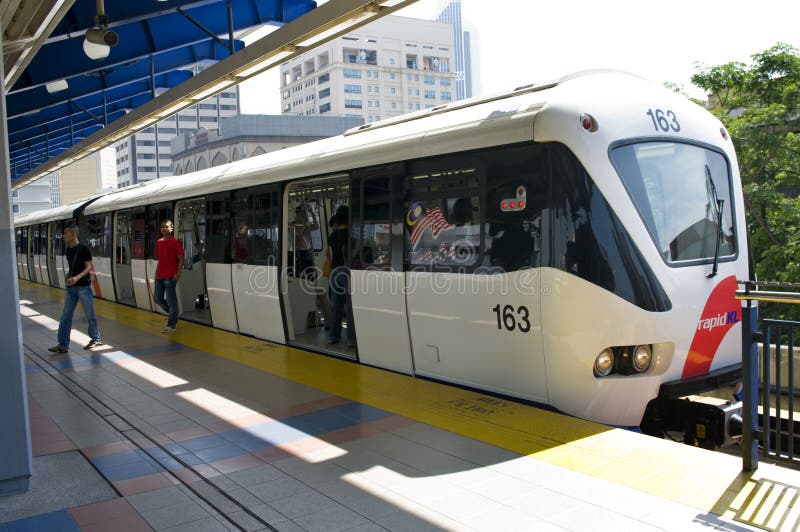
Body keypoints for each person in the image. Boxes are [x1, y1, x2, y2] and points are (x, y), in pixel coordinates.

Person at [49, 225, 101, 353]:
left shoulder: (84, 249)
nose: (64, 235)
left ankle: (95, 339)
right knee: (65, 316)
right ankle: (63, 344)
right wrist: (72, 279)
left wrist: (77, 278)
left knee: (90, 314)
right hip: (71, 288)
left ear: (73, 234)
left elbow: (88, 267)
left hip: (84, 287)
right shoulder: (68, 250)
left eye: (66, 233)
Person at [326, 205, 355, 347]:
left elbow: (329, 255)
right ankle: (351, 339)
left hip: (333, 272)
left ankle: (333, 336)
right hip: (346, 271)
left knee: (336, 306)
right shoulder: (351, 235)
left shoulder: (332, 235)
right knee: (350, 307)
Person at [154, 220, 184, 332]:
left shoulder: (175, 242)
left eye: (166, 227)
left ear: (171, 229)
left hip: (171, 277)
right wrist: (156, 274)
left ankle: (171, 325)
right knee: (157, 299)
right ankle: (174, 314)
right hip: (160, 276)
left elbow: (181, 259)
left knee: (171, 301)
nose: (164, 229)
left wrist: (178, 273)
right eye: (162, 227)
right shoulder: (159, 242)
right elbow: (160, 260)